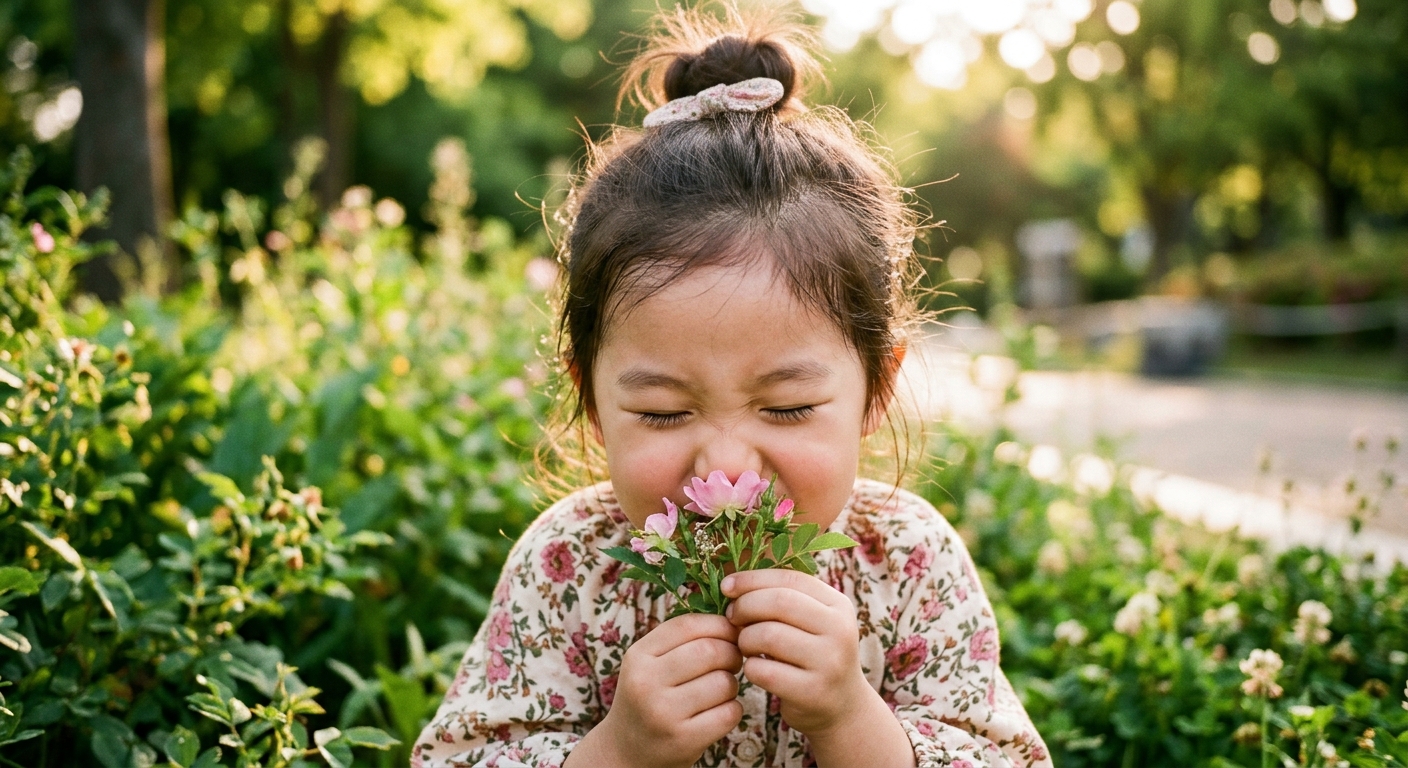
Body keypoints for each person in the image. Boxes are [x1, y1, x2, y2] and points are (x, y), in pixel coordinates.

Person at [412, 6, 1050, 768]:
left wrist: (853, 720)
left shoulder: (907, 563)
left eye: (786, 407)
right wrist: (615, 752)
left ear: (877, 389)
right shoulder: (570, 568)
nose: (728, 473)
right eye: (662, 411)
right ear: (590, 400)